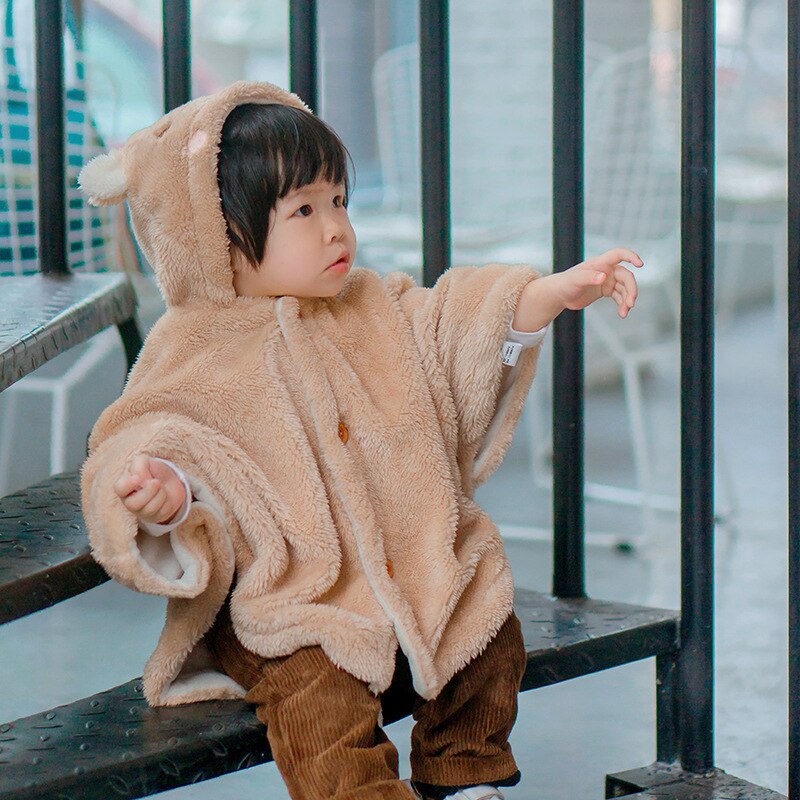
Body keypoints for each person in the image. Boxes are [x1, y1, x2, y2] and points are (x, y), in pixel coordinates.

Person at [79, 81, 641, 800]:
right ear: (216, 236)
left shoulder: (371, 306)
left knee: (485, 632)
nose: (334, 228)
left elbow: (454, 324)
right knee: (320, 696)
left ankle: (466, 775)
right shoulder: (196, 350)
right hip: (284, 599)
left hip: (403, 565)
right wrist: (164, 492)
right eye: (303, 211)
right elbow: (158, 435)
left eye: (339, 200)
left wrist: (554, 293)